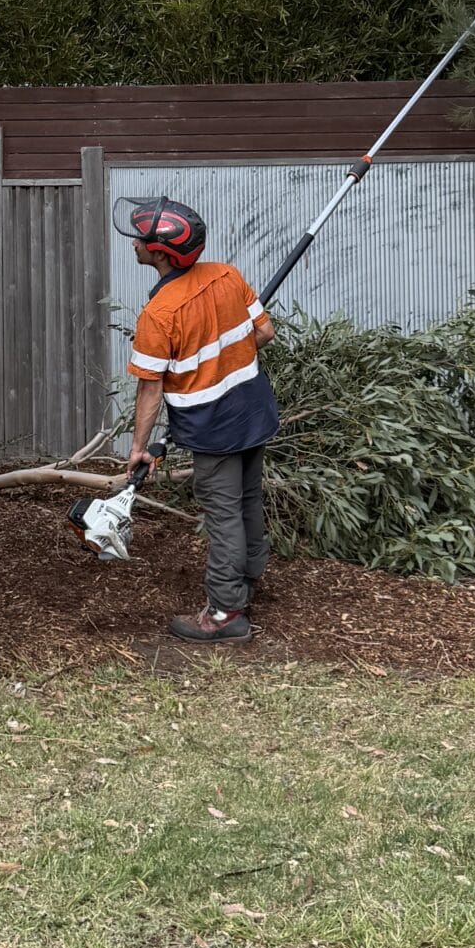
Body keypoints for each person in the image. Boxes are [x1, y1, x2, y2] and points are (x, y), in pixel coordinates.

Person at [118, 195, 280, 644]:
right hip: (253, 411)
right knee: (247, 499)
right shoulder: (227, 276)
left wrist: (137, 448)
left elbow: (151, 387)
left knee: (223, 512)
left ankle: (226, 612)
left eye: (141, 239)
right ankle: (247, 580)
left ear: (163, 254)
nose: (134, 243)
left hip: (214, 429)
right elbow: (264, 332)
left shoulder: (160, 314)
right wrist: (225, 359)